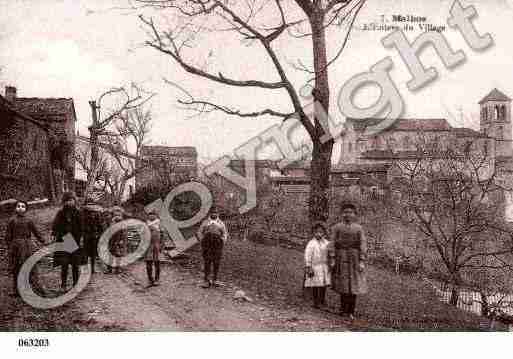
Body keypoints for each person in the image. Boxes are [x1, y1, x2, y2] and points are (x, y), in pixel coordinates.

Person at [330, 203, 368, 319]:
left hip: (354, 258)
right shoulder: (337, 227)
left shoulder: (358, 228)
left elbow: (363, 243)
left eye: (350, 212)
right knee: (343, 284)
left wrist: (362, 260)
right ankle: (343, 309)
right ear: (342, 214)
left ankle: (351, 311)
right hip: (341, 257)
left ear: (354, 215)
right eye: (345, 212)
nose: (348, 215)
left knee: (354, 285)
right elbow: (332, 243)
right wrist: (332, 258)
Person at [4, 200, 46, 297]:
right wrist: (9, 246)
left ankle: (35, 287)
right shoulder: (12, 221)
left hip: (27, 246)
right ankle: (17, 290)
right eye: (18, 206)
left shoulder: (29, 220)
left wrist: (42, 240)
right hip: (16, 247)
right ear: (15, 208)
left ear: (26, 209)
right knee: (16, 268)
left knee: (31, 266)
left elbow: (36, 232)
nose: (20, 208)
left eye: (23, 206)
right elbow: (8, 235)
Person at [51, 191, 83, 290]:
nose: (70, 202)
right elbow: (55, 225)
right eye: (67, 200)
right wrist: (54, 233)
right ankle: (63, 285)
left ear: (75, 201)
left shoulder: (78, 212)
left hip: (75, 240)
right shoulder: (60, 213)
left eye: (72, 200)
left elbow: (82, 226)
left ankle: (75, 284)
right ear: (64, 202)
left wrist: (81, 238)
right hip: (63, 240)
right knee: (64, 263)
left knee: (75, 264)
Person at [197, 208, 228, 288]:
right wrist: (202, 240)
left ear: (218, 214)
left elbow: (224, 233)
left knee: (216, 262)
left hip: (217, 245)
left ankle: (215, 280)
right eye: (213, 212)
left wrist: (222, 241)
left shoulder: (221, 223)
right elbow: (199, 232)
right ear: (210, 213)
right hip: (207, 244)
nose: (214, 214)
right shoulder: (205, 222)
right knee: (207, 261)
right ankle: (206, 281)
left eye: (216, 213)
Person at [304, 221, 331, 309]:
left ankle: (322, 300)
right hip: (315, 266)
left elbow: (330, 253)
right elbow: (308, 255)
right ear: (313, 232)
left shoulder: (326, 243)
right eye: (316, 232)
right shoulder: (311, 243)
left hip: (324, 266)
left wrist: (330, 262)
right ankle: (315, 302)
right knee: (315, 284)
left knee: (323, 284)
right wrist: (308, 265)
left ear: (324, 233)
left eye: (321, 232)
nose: (318, 234)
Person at [144, 208, 166, 287]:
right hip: (148, 246)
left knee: (157, 263)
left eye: (153, 214)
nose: (151, 216)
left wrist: (162, 245)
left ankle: (157, 279)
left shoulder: (159, 223)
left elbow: (163, 235)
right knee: (148, 263)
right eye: (150, 214)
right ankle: (150, 279)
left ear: (156, 215)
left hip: (157, 245)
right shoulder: (146, 223)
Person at [81, 200, 105, 274]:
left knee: (90, 253)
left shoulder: (85, 214)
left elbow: (100, 225)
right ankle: (90, 269)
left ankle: (90, 269)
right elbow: (100, 225)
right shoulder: (84, 215)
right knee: (89, 253)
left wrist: (100, 233)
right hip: (90, 236)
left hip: (92, 236)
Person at [105, 206, 127, 274]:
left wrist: (122, 240)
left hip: (119, 238)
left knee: (118, 254)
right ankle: (109, 269)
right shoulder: (110, 221)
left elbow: (124, 231)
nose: (117, 215)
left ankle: (118, 269)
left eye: (118, 213)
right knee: (110, 253)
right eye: (115, 213)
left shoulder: (122, 222)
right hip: (111, 239)